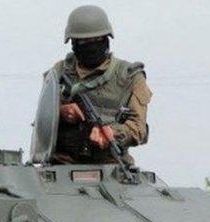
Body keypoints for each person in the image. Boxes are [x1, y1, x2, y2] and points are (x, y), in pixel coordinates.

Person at [51, 5, 152, 165]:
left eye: (97, 40)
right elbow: (42, 122)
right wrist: (61, 111)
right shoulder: (59, 72)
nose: (91, 46)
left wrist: (112, 133)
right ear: (74, 43)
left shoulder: (131, 76)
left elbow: (138, 128)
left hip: (111, 166)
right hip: (62, 164)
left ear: (106, 39)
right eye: (84, 41)